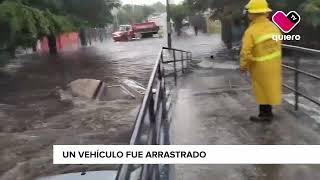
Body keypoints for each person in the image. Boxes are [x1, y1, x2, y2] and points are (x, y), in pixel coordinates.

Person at [240, 0, 282, 122]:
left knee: (261, 89)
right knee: (270, 87)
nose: (248, 14)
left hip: (259, 66)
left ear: (253, 14)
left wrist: (244, 66)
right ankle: (268, 112)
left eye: (249, 12)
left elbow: (245, 53)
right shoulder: (274, 27)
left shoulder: (251, 31)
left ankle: (265, 115)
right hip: (274, 64)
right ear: (265, 13)